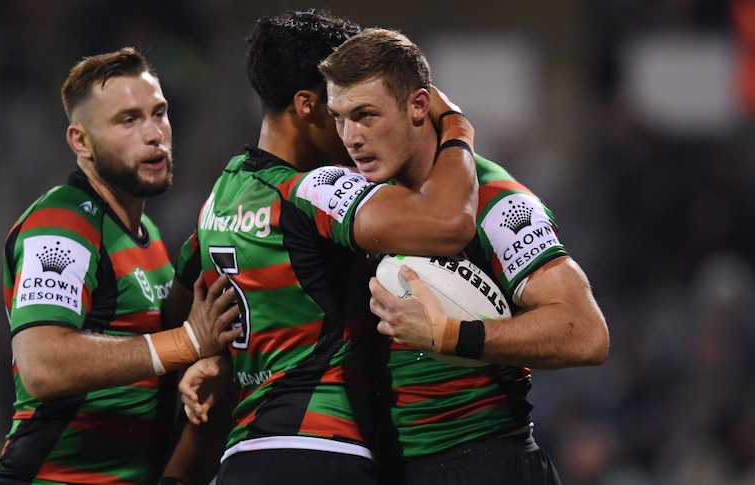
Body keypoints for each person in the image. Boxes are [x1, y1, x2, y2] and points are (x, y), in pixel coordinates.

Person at [172, 9, 479, 485]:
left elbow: (181, 299)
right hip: (322, 450)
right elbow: (448, 223)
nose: (352, 131)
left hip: (243, 457)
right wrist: (457, 129)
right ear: (308, 105)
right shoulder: (311, 189)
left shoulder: (220, 195)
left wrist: (208, 354)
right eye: (341, 110)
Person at [319, 28, 610, 484]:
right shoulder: (362, 203)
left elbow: (586, 333)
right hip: (386, 466)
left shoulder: (499, 202)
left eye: (366, 116)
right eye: (339, 118)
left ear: (418, 107)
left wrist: (454, 336)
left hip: (484, 462)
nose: (350, 137)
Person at [0, 47, 242, 485]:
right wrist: (186, 342)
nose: (155, 134)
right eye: (129, 120)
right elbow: (43, 364)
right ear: (81, 142)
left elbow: (172, 359)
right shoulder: (62, 224)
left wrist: (208, 368)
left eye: (159, 113)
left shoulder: (145, 232)